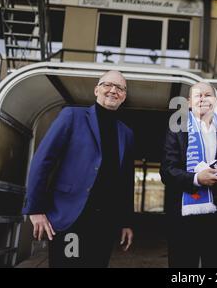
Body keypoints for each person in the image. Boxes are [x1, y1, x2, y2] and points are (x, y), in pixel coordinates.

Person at [22, 70, 135, 268]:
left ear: (124, 96)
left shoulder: (126, 133)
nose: (113, 90)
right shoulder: (72, 116)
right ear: (96, 90)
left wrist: (126, 222)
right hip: (70, 216)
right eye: (107, 84)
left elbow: (125, 181)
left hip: (105, 224)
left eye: (119, 88)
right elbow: (42, 161)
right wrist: (35, 209)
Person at [160, 82, 217, 268]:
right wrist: (196, 179)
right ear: (189, 102)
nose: (203, 99)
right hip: (184, 221)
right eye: (198, 95)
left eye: (208, 95)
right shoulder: (176, 130)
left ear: (215, 100)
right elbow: (167, 171)